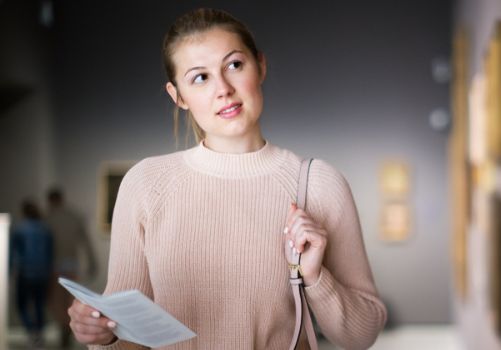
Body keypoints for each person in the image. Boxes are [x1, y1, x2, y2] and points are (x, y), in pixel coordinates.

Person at [67, 8, 387, 349]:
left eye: (234, 65)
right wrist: (102, 334)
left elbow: (361, 337)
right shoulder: (145, 185)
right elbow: (125, 334)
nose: (223, 89)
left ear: (260, 66)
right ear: (178, 97)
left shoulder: (318, 184)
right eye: (200, 77)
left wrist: (315, 277)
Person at [45, 187, 98, 348]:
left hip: (54, 266)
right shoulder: (74, 217)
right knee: (69, 300)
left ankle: (64, 330)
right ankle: (66, 331)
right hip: (71, 265)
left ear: (51, 200)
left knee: (57, 301)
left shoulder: (47, 218)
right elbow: (86, 242)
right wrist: (92, 262)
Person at [10, 199, 54, 348]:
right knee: (39, 305)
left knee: (21, 304)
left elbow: (13, 253)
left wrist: (10, 271)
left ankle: (31, 331)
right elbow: (50, 253)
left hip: (26, 273)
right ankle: (38, 334)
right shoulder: (45, 229)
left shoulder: (20, 229)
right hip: (42, 273)